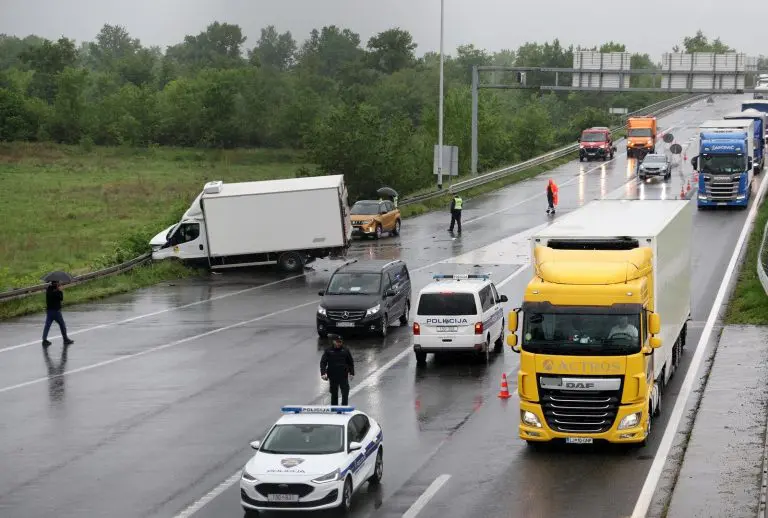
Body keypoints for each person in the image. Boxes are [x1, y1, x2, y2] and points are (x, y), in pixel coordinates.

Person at [320, 334, 355, 405]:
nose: (339, 343)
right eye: (337, 342)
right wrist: (323, 373)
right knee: (334, 393)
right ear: (333, 342)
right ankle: (334, 410)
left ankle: (344, 408)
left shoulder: (345, 350)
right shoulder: (328, 351)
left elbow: (350, 362)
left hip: (343, 375)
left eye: (340, 342)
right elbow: (323, 363)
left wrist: (351, 373)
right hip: (333, 376)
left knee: (345, 392)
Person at [42, 281, 74, 348]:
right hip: (56, 311)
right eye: (58, 283)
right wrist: (59, 291)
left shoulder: (48, 289)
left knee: (47, 325)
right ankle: (65, 339)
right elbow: (61, 298)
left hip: (49, 311)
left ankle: (44, 340)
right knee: (62, 325)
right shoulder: (56, 291)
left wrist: (57, 290)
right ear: (56, 283)